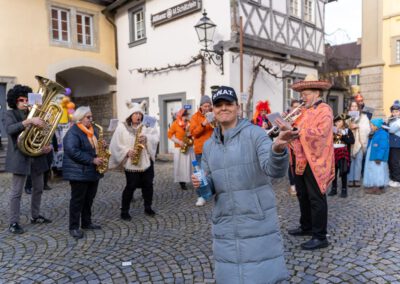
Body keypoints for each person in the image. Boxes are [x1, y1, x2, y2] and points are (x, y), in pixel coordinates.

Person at [191, 85, 299, 283]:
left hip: (256, 222)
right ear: (212, 111)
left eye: (228, 104)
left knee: (260, 276)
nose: (223, 108)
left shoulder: (255, 134)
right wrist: (201, 184)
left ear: (237, 107)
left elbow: (275, 170)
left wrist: (277, 149)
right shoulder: (208, 146)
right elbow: (208, 193)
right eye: (218, 105)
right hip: (225, 225)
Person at [288, 74, 335, 250]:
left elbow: (321, 133)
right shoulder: (304, 111)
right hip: (301, 158)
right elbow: (296, 129)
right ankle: (306, 226)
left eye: (306, 94)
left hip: (316, 160)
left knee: (316, 197)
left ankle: (320, 236)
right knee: (303, 194)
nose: (302, 97)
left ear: (316, 93)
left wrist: (298, 130)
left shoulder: (325, 110)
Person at [3, 84, 52, 234]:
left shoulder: (35, 113)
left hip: (36, 157)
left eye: (26, 99)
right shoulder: (9, 114)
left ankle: (35, 216)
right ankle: (13, 222)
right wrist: (29, 121)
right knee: (16, 192)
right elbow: (10, 129)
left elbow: (44, 132)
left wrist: (46, 146)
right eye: (21, 100)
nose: (24, 102)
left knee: (38, 188)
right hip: (19, 157)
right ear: (14, 101)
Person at [109, 101, 159, 219]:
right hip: (132, 163)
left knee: (148, 185)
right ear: (130, 115)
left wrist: (147, 138)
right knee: (130, 186)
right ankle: (124, 211)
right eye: (135, 114)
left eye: (139, 114)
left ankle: (148, 207)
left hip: (146, 161)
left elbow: (156, 138)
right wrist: (126, 151)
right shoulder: (122, 127)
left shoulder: (146, 126)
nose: (138, 116)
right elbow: (115, 144)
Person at [63, 106, 104, 239]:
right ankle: (74, 227)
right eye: (88, 117)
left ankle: (86, 222)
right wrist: (92, 160)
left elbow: (93, 148)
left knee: (89, 199)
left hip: (91, 171)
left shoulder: (91, 131)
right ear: (80, 118)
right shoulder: (73, 133)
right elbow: (72, 151)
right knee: (77, 201)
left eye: (91, 116)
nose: (91, 119)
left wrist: (101, 146)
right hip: (78, 172)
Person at [189, 95, 214, 206]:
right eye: (205, 106)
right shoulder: (195, 117)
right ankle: (200, 196)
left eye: (209, 105)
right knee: (199, 173)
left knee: (215, 172)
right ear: (201, 106)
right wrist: (203, 124)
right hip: (200, 150)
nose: (207, 108)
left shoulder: (214, 113)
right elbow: (193, 133)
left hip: (213, 149)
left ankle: (215, 191)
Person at [328, 114, 354, 198]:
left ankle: (344, 189)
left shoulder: (347, 130)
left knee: (343, 172)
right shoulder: (332, 131)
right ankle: (334, 188)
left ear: (343, 122)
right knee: (334, 172)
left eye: (339, 121)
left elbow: (351, 141)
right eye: (336, 122)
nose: (337, 123)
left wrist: (342, 135)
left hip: (343, 153)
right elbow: (329, 141)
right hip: (334, 152)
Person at [347, 100, 370, 188]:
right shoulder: (347, 117)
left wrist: (358, 126)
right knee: (350, 161)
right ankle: (350, 179)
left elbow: (367, 128)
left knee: (358, 161)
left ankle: (356, 179)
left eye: (355, 106)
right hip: (350, 142)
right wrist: (349, 126)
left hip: (359, 142)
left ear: (358, 108)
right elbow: (342, 126)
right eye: (352, 106)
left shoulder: (363, 117)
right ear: (350, 108)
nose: (354, 108)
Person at [363, 118, 390, 194]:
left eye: (371, 125)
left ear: (377, 126)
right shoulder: (375, 133)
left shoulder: (382, 134)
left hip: (377, 157)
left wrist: (379, 157)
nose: (370, 126)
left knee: (377, 171)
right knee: (373, 170)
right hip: (372, 155)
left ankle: (377, 187)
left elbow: (383, 147)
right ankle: (378, 187)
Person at [168, 108, 192, 190]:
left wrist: (190, 135)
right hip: (179, 148)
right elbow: (170, 135)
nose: (186, 117)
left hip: (188, 147)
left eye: (187, 115)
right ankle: (182, 182)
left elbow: (193, 133)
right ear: (180, 116)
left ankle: (187, 179)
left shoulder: (189, 123)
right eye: (184, 116)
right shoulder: (175, 124)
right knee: (180, 166)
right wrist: (179, 142)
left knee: (187, 166)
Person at [287, 99, 302, 197]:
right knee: (291, 165)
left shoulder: (303, 116)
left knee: (299, 164)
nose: (296, 108)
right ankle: (292, 184)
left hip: (300, 145)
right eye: (294, 106)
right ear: (291, 108)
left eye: (298, 106)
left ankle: (299, 184)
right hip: (290, 144)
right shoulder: (288, 118)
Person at [387, 100, 400, 187]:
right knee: (390, 161)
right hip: (390, 143)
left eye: (396, 111)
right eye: (393, 111)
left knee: (395, 162)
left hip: (396, 143)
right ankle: (392, 178)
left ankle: (397, 179)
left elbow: (392, 130)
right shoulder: (391, 120)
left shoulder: (398, 121)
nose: (394, 113)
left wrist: (386, 127)